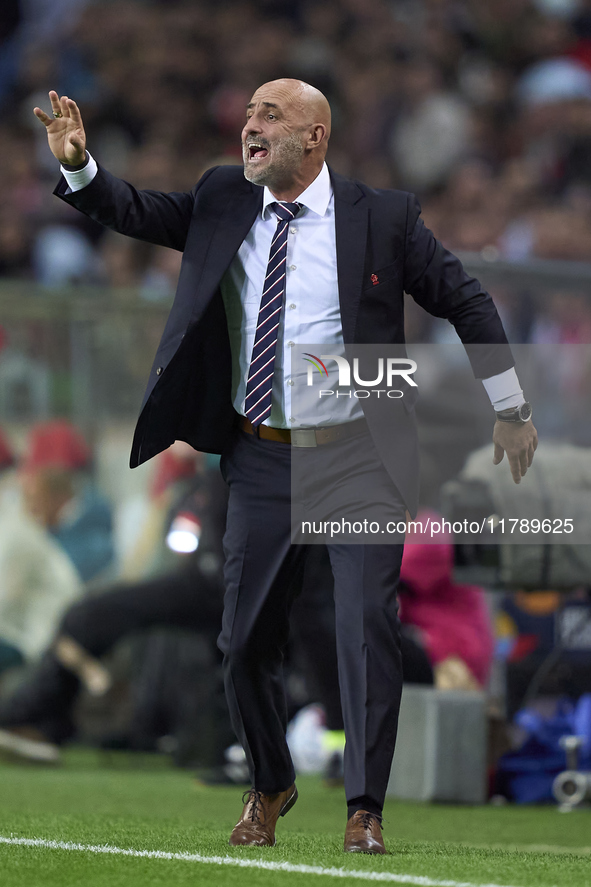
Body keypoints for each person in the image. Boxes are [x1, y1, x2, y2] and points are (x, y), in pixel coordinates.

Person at [34, 80, 537, 854]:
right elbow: (133, 211)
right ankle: (270, 782)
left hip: (359, 458)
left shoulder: (382, 218)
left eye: (270, 114)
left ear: (316, 137)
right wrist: (79, 167)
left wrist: (509, 407)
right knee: (241, 643)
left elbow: (465, 301)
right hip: (261, 455)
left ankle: (364, 806)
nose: (249, 125)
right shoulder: (221, 199)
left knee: (364, 626)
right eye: (246, 113)